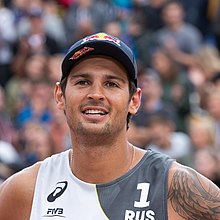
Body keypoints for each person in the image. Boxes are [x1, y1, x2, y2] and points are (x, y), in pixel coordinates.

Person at [0, 32, 220, 220]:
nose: (96, 94)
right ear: (60, 96)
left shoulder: (173, 186)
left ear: (134, 100)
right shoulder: (25, 190)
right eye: (83, 82)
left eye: (111, 84)